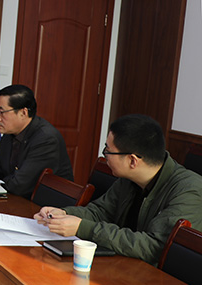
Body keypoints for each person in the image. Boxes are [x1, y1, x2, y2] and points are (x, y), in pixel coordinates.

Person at [34, 114, 202, 265]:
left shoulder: (188, 191)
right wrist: (62, 214)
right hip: (124, 263)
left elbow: (153, 247)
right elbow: (100, 211)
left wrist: (83, 228)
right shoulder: (129, 179)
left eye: (108, 151)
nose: (104, 156)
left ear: (133, 161)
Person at [0, 84, 72, 198]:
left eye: (2, 112)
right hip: (17, 199)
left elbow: (20, 185)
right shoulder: (10, 133)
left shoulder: (46, 139)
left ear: (23, 113)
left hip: (45, 205)